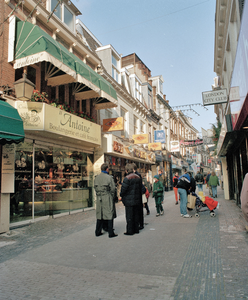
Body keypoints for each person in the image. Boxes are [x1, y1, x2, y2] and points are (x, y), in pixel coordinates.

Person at [94, 163, 118, 238]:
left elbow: (95, 187)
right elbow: (113, 189)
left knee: (100, 214)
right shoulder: (109, 178)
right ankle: (111, 232)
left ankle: (98, 231)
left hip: (99, 197)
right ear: (107, 169)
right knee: (109, 213)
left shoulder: (96, 177)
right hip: (107, 196)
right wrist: (112, 197)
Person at [120, 163, 143, 235]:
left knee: (129, 216)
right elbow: (140, 189)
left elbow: (123, 190)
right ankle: (136, 229)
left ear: (126, 170)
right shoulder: (138, 177)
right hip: (137, 199)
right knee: (136, 215)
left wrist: (121, 196)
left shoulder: (127, 179)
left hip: (129, 200)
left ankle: (130, 231)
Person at [133, 163, 145, 230]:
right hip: (139, 195)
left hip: (137, 195)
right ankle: (141, 224)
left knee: (138, 211)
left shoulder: (136, 175)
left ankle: (140, 224)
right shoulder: (138, 175)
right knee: (139, 211)